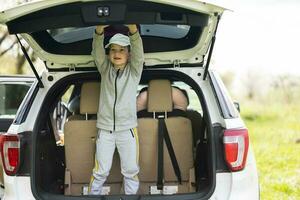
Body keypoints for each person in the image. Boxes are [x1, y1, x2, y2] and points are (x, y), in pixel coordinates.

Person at [88, 24, 144, 195]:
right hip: (105, 130)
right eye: (113, 50)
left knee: (131, 171)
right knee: (100, 172)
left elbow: (139, 56)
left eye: (121, 50)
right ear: (109, 54)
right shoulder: (105, 70)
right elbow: (97, 54)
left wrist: (134, 32)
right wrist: (99, 32)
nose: (117, 53)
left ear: (129, 54)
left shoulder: (134, 72)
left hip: (127, 130)